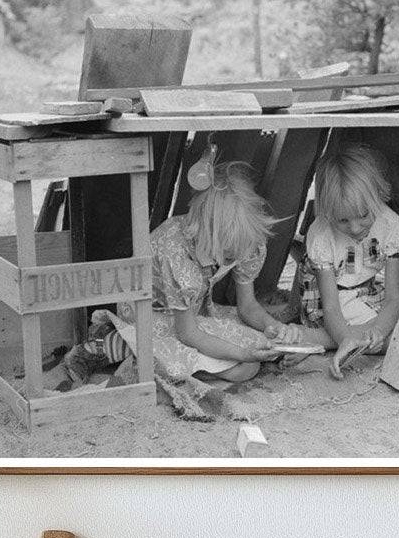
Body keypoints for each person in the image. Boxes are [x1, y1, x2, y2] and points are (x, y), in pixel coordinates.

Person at [300, 142, 399, 378]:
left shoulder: (390, 225)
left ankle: (332, 341)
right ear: (327, 212)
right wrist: (347, 336)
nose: (355, 227)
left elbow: (393, 297)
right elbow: (331, 308)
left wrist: (378, 329)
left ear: (378, 196)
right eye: (342, 221)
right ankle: (346, 340)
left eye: (363, 215)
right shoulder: (322, 236)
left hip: (367, 294)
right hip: (333, 304)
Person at [125, 159, 292, 384]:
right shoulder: (176, 251)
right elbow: (188, 333)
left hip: (194, 311)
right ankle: (128, 347)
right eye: (228, 254)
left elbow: (248, 306)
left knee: (261, 342)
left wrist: (274, 327)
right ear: (207, 235)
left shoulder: (246, 241)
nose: (234, 259)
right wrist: (242, 354)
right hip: (148, 314)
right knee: (245, 366)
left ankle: (194, 363)